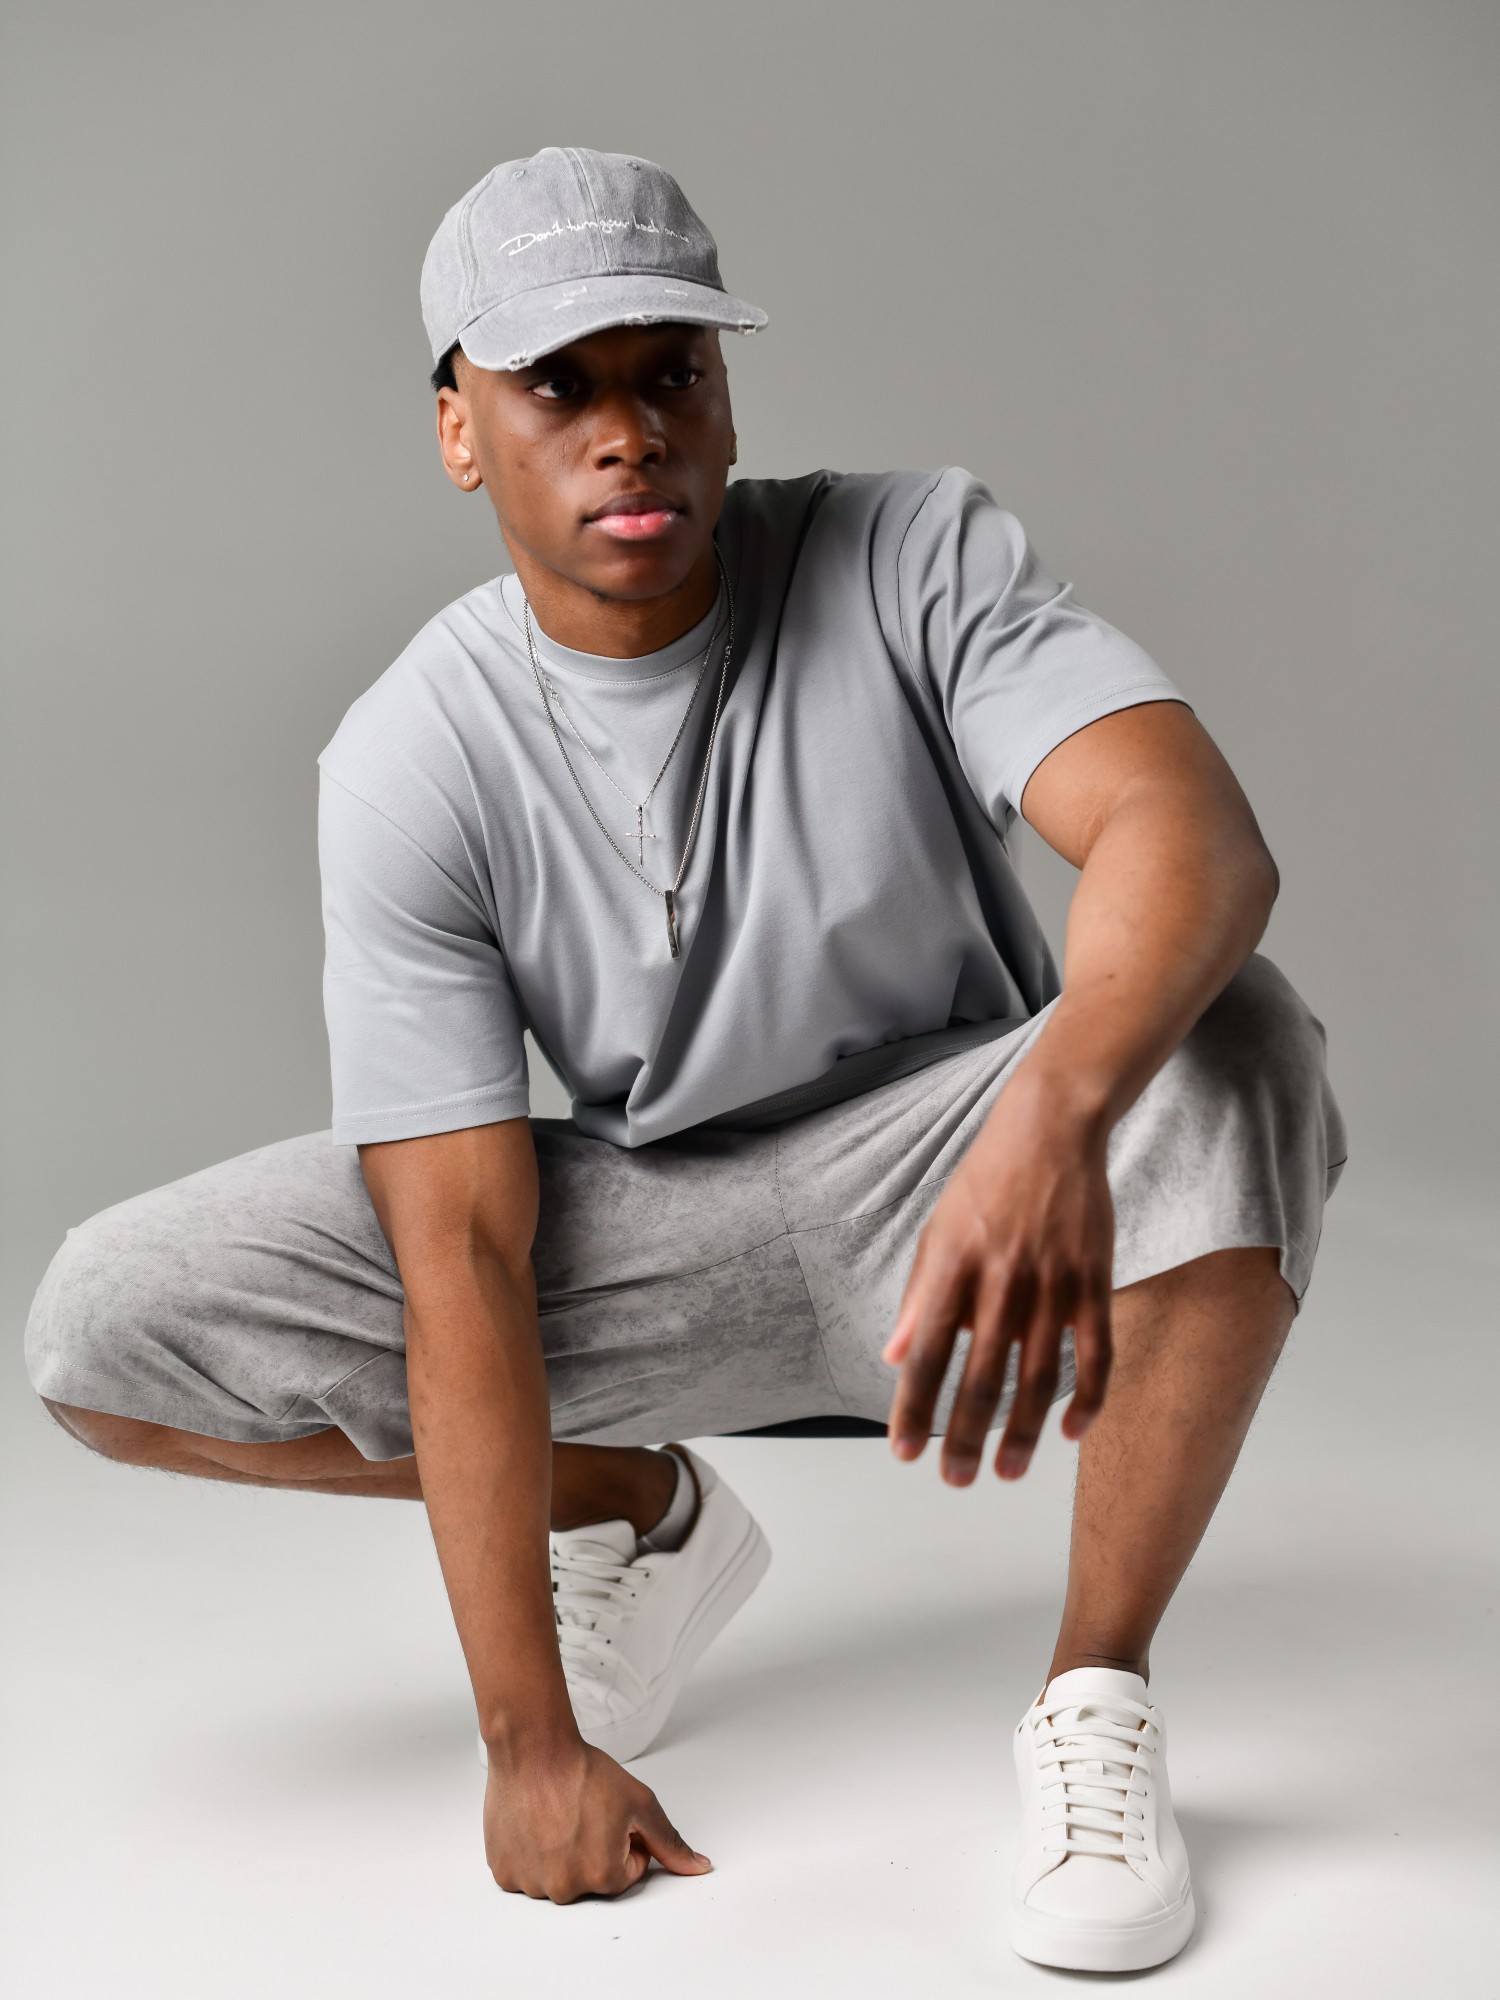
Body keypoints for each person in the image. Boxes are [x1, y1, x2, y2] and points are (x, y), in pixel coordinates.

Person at [24, 146, 1345, 1973]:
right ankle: (637, 1508)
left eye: (671, 374)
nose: (627, 434)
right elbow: (463, 1251)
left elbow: (1189, 835)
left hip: (954, 1185)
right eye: (559, 386)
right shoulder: (411, 756)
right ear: (459, 430)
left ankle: (1093, 1700)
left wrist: (1058, 1113)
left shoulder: (909, 551)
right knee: (105, 1327)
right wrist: (529, 1744)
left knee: (1238, 1027)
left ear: (726, 399)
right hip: (651, 1228)